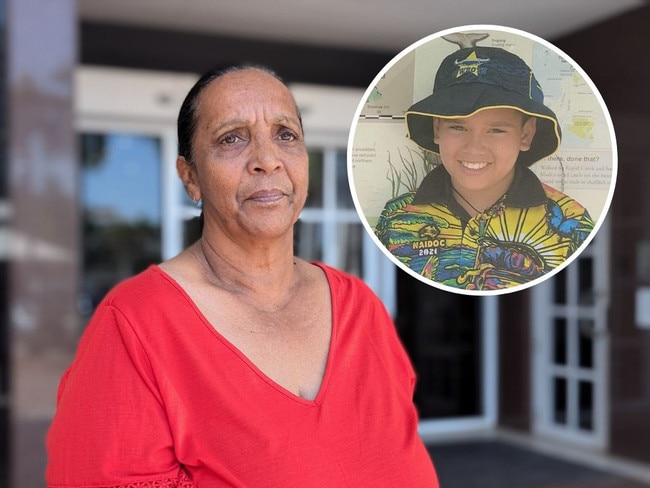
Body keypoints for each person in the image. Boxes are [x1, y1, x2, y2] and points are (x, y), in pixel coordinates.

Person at [46, 65, 439, 487]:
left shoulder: (361, 309)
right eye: (231, 138)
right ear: (190, 177)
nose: (267, 160)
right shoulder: (136, 325)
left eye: (285, 134)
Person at [375, 46, 594, 291]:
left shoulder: (572, 223)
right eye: (458, 128)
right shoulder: (396, 218)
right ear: (437, 129)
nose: (474, 147)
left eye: (496, 130)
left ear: (526, 134)